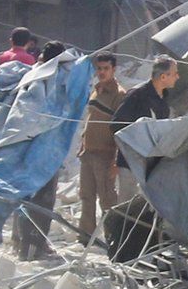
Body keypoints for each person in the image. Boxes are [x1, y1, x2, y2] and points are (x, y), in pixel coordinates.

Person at [76, 53, 129, 244]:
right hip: (88, 153)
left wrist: (117, 160)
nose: (102, 72)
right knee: (86, 196)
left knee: (107, 199)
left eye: (106, 68)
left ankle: (113, 238)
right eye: (99, 68)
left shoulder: (119, 94)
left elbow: (121, 130)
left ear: (113, 70)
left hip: (105, 155)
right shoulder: (96, 90)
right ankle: (85, 237)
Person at [110, 56, 179, 156]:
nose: (178, 77)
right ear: (163, 77)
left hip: (151, 161)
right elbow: (116, 125)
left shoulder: (164, 99)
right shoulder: (137, 95)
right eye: (175, 73)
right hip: (131, 160)